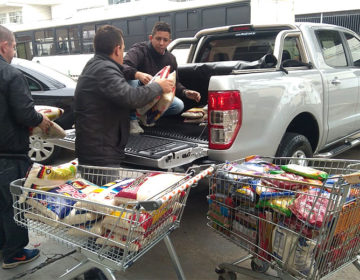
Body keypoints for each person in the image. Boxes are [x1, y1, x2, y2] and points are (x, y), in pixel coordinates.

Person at [74, 25, 174, 167]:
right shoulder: (104, 70)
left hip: (98, 147)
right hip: (100, 153)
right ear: (117, 49)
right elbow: (131, 97)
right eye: (123, 48)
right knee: (104, 187)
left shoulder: (98, 65)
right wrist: (158, 86)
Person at [0, 25, 52, 269]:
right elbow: (25, 114)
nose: (13, 52)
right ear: (4, 46)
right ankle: (14, 254)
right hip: (9, 154)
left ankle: (3, 247)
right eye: (12, 46)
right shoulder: (10, 74)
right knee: (14, 205)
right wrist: (41, 119)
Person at [123, 21, 201, 134]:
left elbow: (174, 83)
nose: (161, 43)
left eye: (165, 40)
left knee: (179, 105)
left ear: (169, 41)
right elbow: (123, 66)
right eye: (158, 39)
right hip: (139, 92)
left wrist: (185, 92)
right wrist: (138, 74)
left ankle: (146, 117)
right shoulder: (139, 50)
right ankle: (132, 119)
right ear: (151, 38)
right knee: (132, 80)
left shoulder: (171, 59)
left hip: (155, 95)